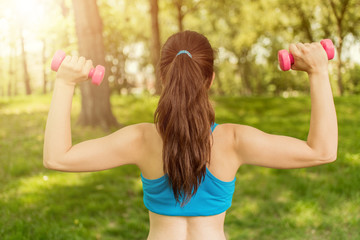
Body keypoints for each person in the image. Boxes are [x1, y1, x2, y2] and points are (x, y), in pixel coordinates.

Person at [43, 30, 338, 240]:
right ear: (209, 79)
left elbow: (57, 158)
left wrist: (66, 83)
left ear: (163, 78)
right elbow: (322, 151)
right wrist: (319, 73)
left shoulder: (141, 140)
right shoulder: (234, 141)